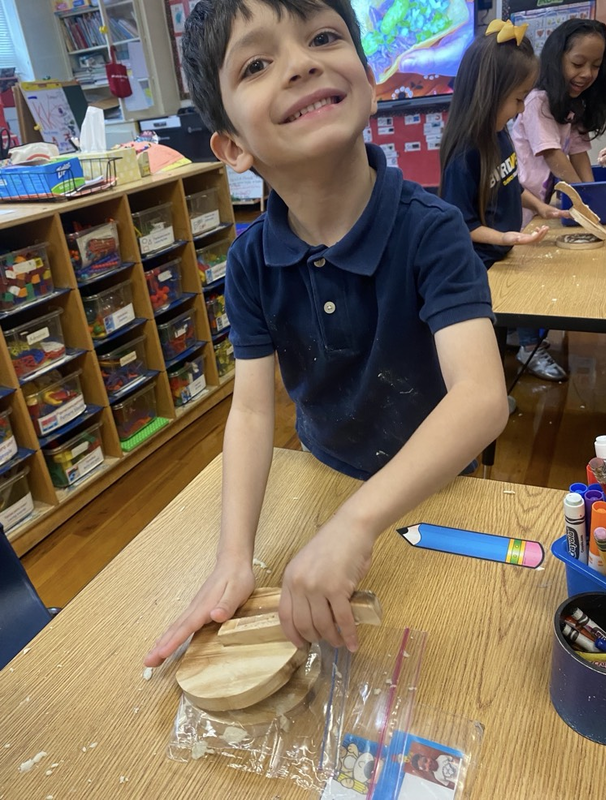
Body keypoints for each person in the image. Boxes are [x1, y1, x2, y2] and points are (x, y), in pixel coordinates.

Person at [144, 0, 508, 669]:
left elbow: (482, 399)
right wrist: (233, 558)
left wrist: (357, 522)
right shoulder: (250, 262)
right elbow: (253, 411)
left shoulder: (432, 230)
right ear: (232, 148)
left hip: (434, 487)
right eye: (257, 62)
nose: (301, 62)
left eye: (322, 37)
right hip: (323, 475)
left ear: (370, 84)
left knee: (453, 657)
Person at [440, 21, 569, 383]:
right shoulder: (464, 155)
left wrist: (540, 206)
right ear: (488, 94)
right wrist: (507, 238)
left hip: (505, 255)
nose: (520, 109)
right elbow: (461, 227)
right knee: (486, 349)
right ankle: (486, 400)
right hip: (481, 267)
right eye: (516, 99)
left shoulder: (501, 135)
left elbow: (509, 184)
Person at [512, 18, 606, 226]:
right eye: (577, 64)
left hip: (543, 207)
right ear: (557, 60)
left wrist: (593, 201)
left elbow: (578, 153)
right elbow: (553, 155)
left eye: (596, 66)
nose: (587, 74)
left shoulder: (574, 104)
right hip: (522, 207)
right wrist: (582, 201)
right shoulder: (538, 101)